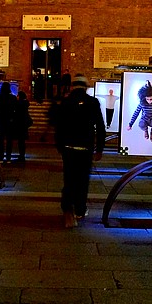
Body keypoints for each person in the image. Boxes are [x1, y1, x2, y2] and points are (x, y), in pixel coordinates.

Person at [52, 74, 105, 228]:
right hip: (85, 148)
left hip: (68, 148)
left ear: (72, 86)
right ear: (86, 87)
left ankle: (67, 208)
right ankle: (80, 210)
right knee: (82, 180)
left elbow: (59, 126)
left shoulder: (66, 102)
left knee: (69, 179)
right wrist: (99, 149)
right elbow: (100, 127)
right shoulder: (93, 102)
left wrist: (60, 146)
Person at [0, 82, 17, 162]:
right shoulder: (13, 98)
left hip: (1, 121)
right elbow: (15, 109)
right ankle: (8, 157)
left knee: (1, 140)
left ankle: (1, 156)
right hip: (9, 121)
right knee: (9, 140)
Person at [13, 90, 32, 162]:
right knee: (22, 141)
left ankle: (21, 156)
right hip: (24, 124)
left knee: (20, 141)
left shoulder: (19, 104)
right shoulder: (25, 103)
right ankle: (22, 155)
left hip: (20, 124)